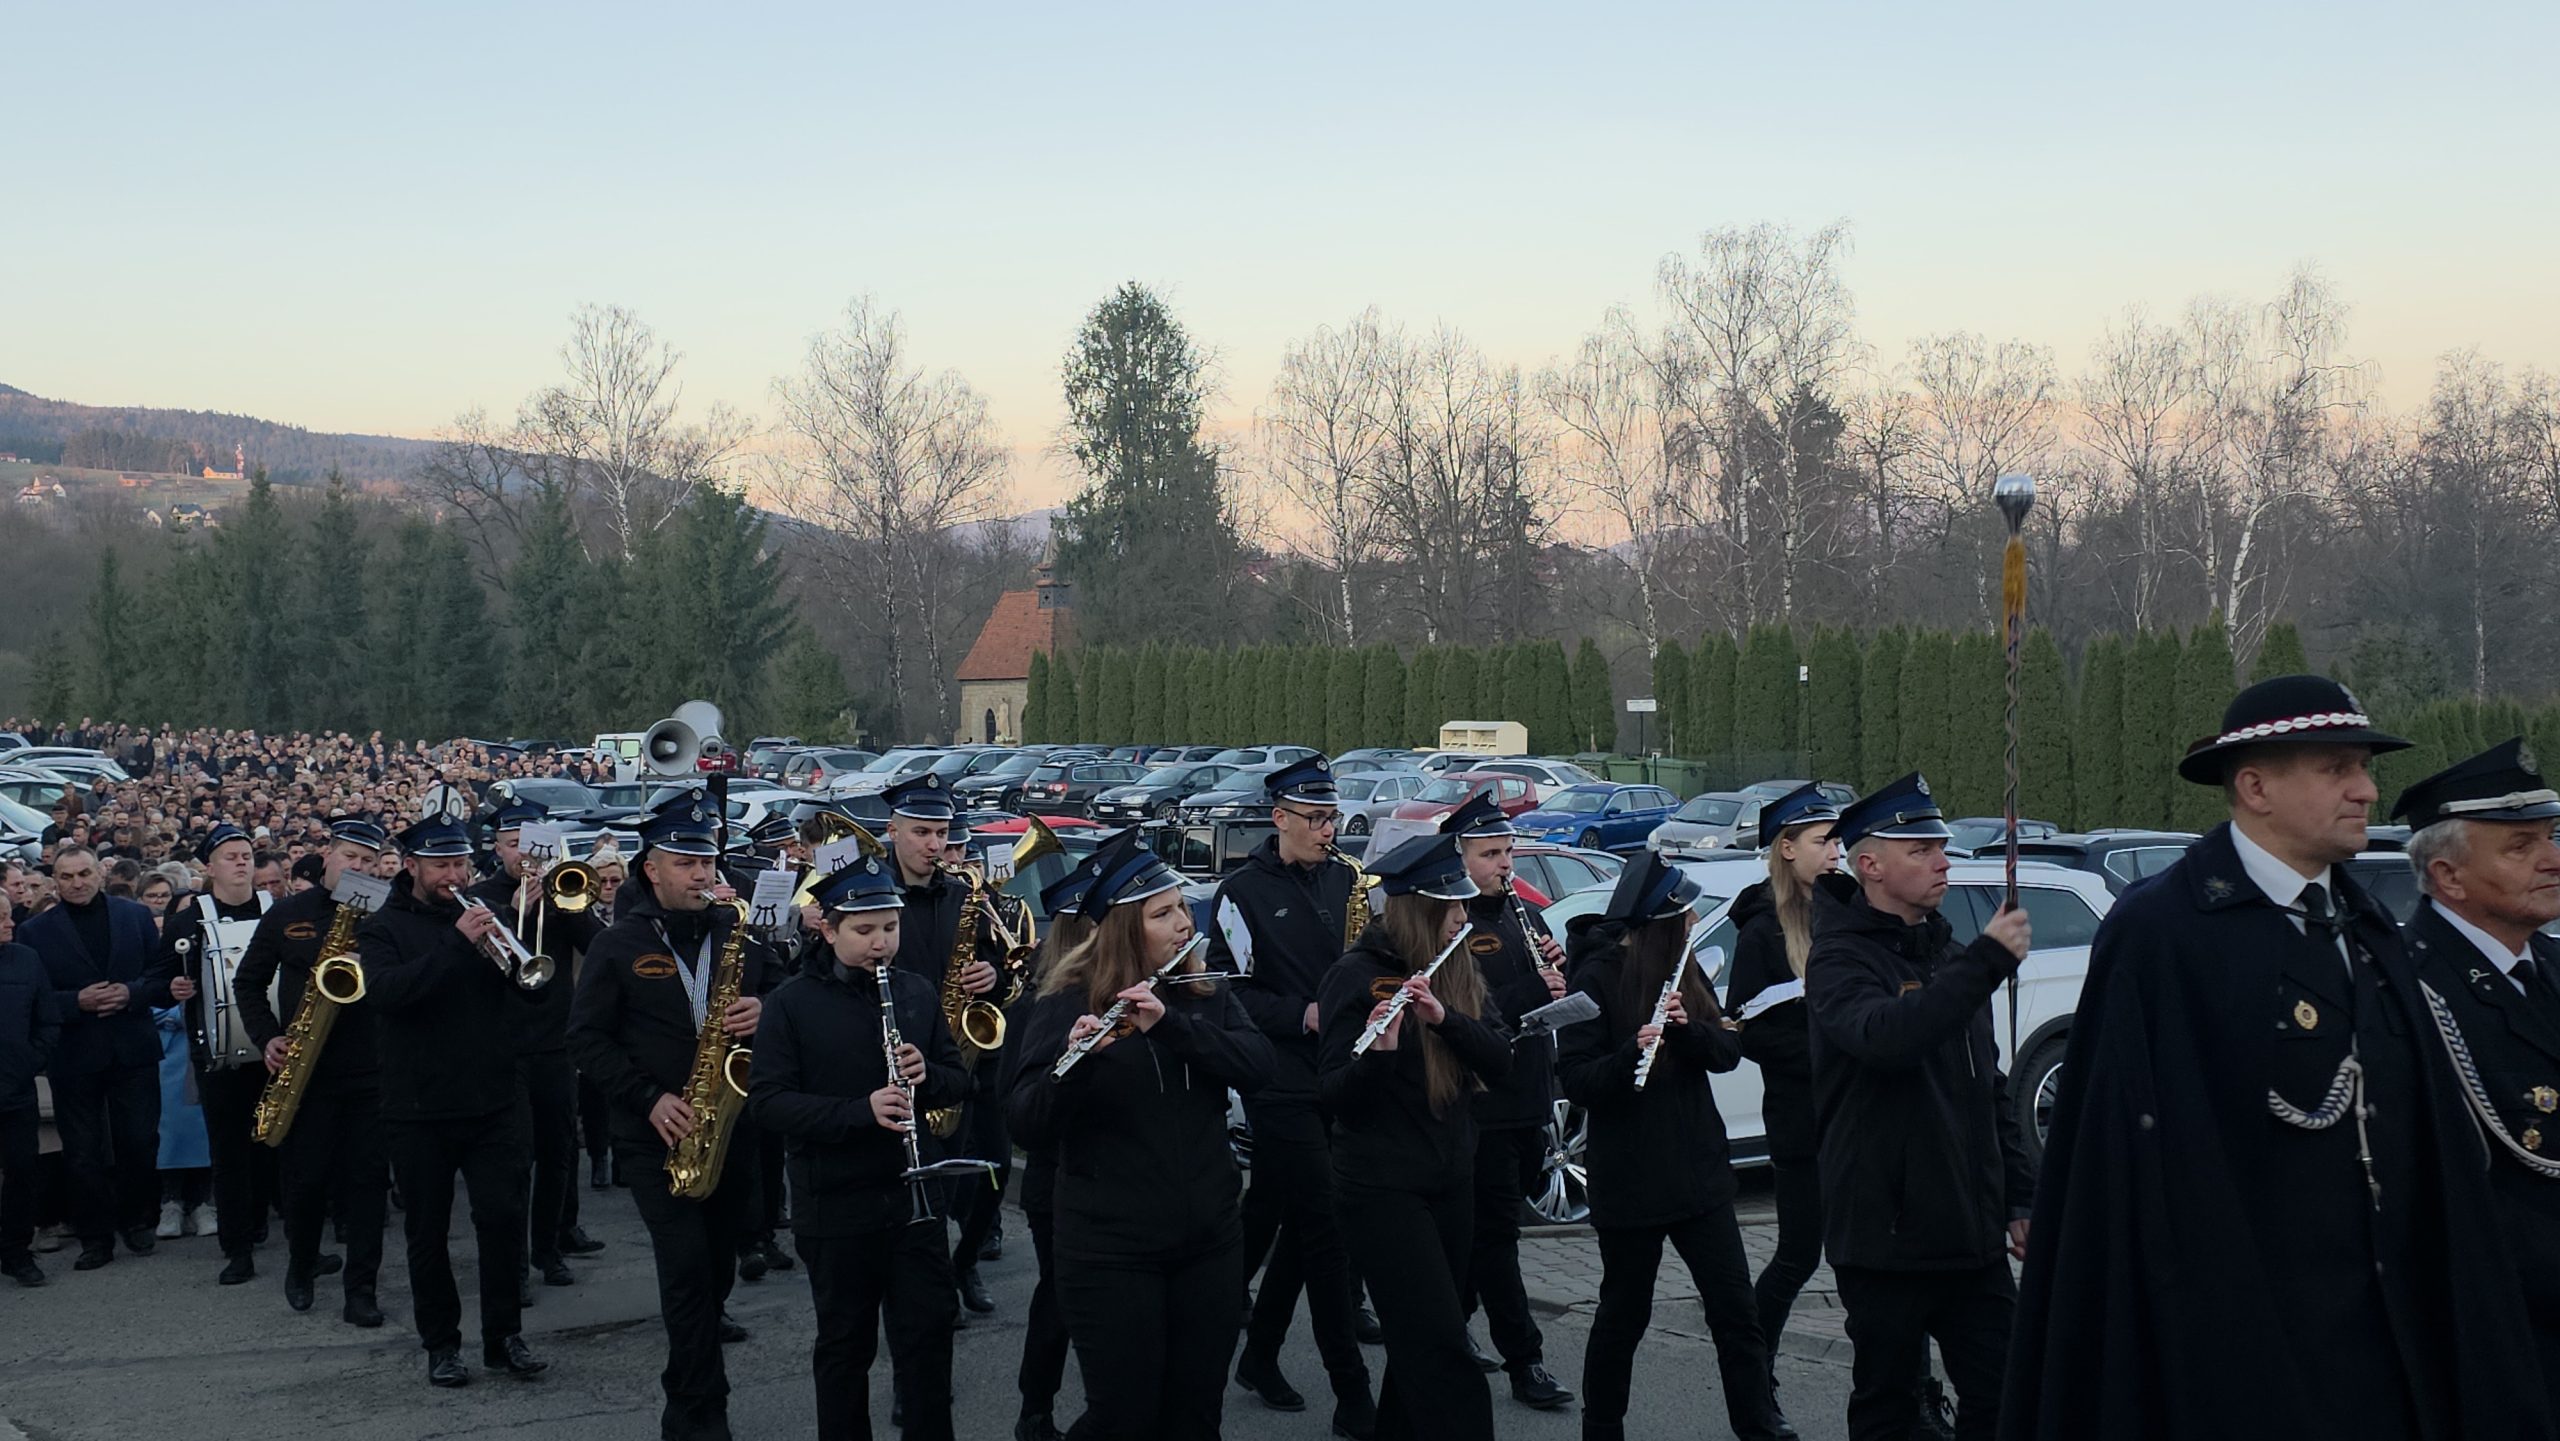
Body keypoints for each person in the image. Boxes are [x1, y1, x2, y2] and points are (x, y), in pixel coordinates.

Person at [2003, 679, 2550, 1441]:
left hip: (2388, 1356)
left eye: (2363, 768)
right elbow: (2124, 1173)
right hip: (2241, 1357)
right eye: (2337, 769)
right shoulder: (2167, 930)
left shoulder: (2368, 926)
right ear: (2256, 787)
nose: (2366, 790)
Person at [1008, 827, 1274, 1440]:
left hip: (1208, 1239)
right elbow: (1026, 1122)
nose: (1184, 923)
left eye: (1181, 907)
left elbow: (1259, 1067)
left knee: (1195, 1417)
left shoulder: (1200, 993)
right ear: (1126, 928)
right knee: (1123, 1417)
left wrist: (1171, 1027)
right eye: (1163, 914)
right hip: (1110, 1248)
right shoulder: (1067, 1001)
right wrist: (1073, 1067)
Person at [1809, 773, 2031, 1441]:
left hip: (1970, 1238)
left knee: (2010, 1396)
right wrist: (1986, 961)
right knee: (1890, 1410)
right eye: (1921, 850)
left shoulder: (1949, 953)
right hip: (1887, 1237)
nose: (1942, 862)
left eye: (1941, 847)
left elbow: (1988, 1086)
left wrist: (2020, 1196)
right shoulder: (1839, 959)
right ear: (1870, 866)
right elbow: (1887, 1039)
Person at [1560, 851, 1780, 1441]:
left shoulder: (1684, 969)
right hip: (1631, 1180)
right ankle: (1601, 1426)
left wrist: (1687, 1033)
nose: (1692, 925)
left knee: (1736, 1312)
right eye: (1684, 917)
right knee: (1624, 1314)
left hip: (1699, 1175)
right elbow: (1576, 1078)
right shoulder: (1597, 977)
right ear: (1659, 924)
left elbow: (1728, 1050)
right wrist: (1631, 1054)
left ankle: (1758, 1424)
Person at [568, 791, 767, 1441]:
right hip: (654, 1134)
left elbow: (787, 996)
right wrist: (648, 1097)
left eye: (707, 862)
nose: (702, 875)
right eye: (686, 863)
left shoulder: (736, 932)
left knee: (716, 1269)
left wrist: (766, 1010)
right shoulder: (617, 944)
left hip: (728, 1128)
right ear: (651, 869)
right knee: (685, 1271)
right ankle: (701, 1413)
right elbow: (585, 1039)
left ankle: (689, 1390)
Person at [750, 851, 968, 1441]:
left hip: (915, 1201)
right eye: (865, 930)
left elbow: (957, 1077)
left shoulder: (916, 991)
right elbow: (769, 1103)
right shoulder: (791, 1003)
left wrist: (929, 1074)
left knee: (928, 1339)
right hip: (836, 1204)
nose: (881, 944)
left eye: (890, 928)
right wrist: (859, 1112)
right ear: (828, 929)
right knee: (846, 1347)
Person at [1318, 831, 1510, 1441]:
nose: (1463, 917)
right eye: (1451, 908)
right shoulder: (1353, 975)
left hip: (1451, 1177)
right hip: (1380, 1188)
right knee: (1444, 1349)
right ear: (1420, 912)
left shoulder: (1459, 969)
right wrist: (1377, 1055)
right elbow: (1334, 1095)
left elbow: (1501, 1059)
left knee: (1421, 1342)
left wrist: (1445, 1019)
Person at [2391, 737, 2560, 1421]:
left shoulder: (2548, 965)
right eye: (2521, 846)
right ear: (2449, 876)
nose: (2553, 859)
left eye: (2550, 837)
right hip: (2499, 1338)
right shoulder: (2407, 989)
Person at [1211, 757, 1379, 1437]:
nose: (1327, 829)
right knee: (1327, 1228)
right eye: (1314, 818)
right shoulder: (1241, 892)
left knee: (1289, 1225)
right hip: (1279, 1079)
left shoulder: (1346, 879)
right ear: (1279, 817)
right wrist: (1301, 1014)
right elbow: (1230, 991)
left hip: (1339, 1073)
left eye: (1332, 817)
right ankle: (1352, 1391)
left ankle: (1254, 1351)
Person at [360, 813, 549, 1388]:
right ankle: (441, 1345)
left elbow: (526, 994)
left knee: (502, 1221)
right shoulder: (382, 926)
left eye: (461, 864)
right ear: (411, 866)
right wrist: (457, 942)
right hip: (418, 1107)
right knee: (428, 1233)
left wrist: (517, 959)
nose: (454, 875)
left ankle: (504, 1337)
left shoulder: (484, 914)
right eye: (441, 865)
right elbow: (390, 994)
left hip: (492, 1097)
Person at [1437, 791, 1572, 1410]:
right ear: (1461, 858)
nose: (1505, 864)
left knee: (1484, 1234)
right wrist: (1531, 989)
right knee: (1497, 1235)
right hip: (1485, 1102)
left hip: (1530, 1094)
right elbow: (1471, 1013)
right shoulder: (1455, 925)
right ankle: (1526, 1359)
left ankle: (1447, 1326)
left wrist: (1561, 975)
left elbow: (1548, 996)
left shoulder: (1528, 916)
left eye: (1507, 851)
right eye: (1490, 854)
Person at [235, 816, 390, 1325]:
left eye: (369, 861)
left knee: (368, 1185)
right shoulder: (288, 914)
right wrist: (267, 1037)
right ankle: (301, 1265)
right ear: (328, 857)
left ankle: (361, 1290)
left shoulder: (388, 914)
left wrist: (373, 962)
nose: (359, 867)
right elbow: (248, 983)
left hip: (370, 1070)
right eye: (350, 857)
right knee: (304, 1183)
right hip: (306, 1073)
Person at [1724, 782, 1842, 1439]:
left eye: (1838, 840)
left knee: (1872, 1262)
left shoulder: (1846, 910)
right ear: (1787, 847)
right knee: (1799, 1254)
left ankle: (1907, 1391)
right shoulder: (1761, 930)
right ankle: (1753, 1376)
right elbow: (1750, 1033)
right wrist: (1829, 1045)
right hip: (1802, 1120)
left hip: (1858, 1118)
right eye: (1823, 841)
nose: (1836, 851)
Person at [878, 772, 1011, 1318]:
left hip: (970, 1057)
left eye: (941, 833)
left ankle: (965, 1261)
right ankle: (933, 1289)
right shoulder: (871, 894)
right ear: (893, 831)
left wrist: (991, 973)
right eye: (922, 832)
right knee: (928, 1189)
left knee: (994, 1170)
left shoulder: (965, 894)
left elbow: (1001, 962)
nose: (935, 845)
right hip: (906, 1057)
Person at [136, 822, 276, 1284]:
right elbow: (156, 981)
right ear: (210, 867)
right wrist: (172, 988)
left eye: (246, 855)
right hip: (217, 1054)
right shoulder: (187, 920)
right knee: (230, 1152)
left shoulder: (276, 910)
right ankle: (237, 1247)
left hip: (275, 1048)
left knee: (275, 1145)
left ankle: (266, 1224)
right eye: (230, 857)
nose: (241, 863)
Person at [473, 799, 604, 1292]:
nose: (523, 855)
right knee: (514, 1159)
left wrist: (569, 903)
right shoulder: (480, 897)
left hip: (554, 1042)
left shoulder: (560, 893)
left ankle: (548, 1249)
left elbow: (599, 946)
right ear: (498, 849)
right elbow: (477, 960)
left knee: (558, 1150)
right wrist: (513, 912)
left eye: (531, 847)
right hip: (503, 1045)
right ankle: (512, 1266)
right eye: (513, 845)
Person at [21, 843, 165, 1269]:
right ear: (55, 881)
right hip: (74, 1053)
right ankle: (95, 1237)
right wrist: (76, 1002)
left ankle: (138, 1220)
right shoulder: (35, 932)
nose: (77, 883)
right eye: (67, 877)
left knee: (139, 1140)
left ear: (99, 874)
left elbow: (159, 977)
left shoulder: (135, 917)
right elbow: (34, 1001)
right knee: (83, 1151)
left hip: (132, 1045)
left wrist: (131, 993)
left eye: (84, 874)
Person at [999, 851, 1103, 1441]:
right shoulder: (1043, 1003)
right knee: (1063, 1295)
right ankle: (1036, 1407)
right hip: (1055, 1174)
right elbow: (1017, 1101)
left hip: (1098, 1174)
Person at [1, 904, 62, 1286]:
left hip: (16, 1090)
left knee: (22, 1172)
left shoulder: (25, 959)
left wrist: (29, 1060)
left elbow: (47, 1018)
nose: (11, 922)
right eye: (1, 917)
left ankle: (16, 1252)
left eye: (9, 914)